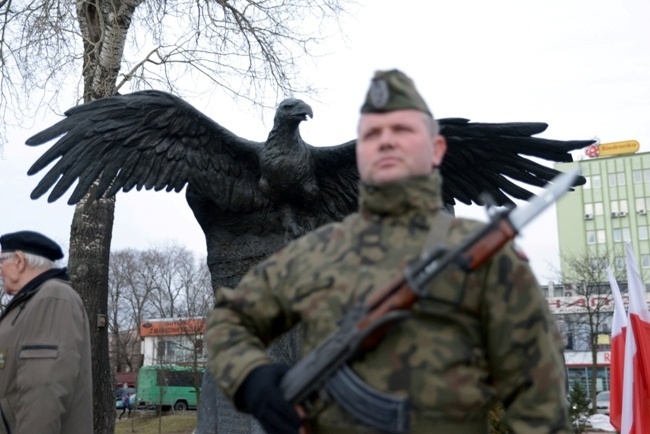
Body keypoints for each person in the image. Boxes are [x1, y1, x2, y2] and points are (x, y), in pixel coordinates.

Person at [205, 69, 570, 433]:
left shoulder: (487, 259)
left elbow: (537, 388)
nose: (387, 145)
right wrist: (254, 379)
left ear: (438, 148)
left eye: (403, 132)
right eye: (373, 135)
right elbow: (230, 324)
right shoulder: (320, 252)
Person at [0, 230, 93, 433]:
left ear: (19, 261)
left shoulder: (53, 298)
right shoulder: (30, 303)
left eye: (1, 262)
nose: (0, 270)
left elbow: (43, 392)